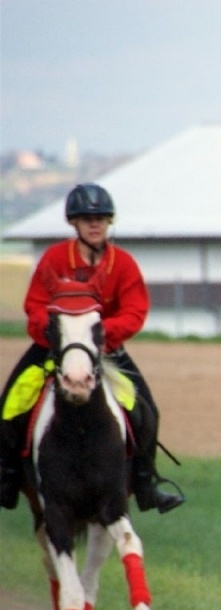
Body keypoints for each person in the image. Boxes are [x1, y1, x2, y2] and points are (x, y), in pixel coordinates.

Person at [0, 183, 182, 512]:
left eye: (100, 218)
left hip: (105, 351)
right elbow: (36, 305)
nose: (94, 224)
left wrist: (98, 335)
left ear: (109, 222)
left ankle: (145, 483)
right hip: (54, 348)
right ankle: (8, 477)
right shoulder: (55, 259)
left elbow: (135, 310)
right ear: (74, 223)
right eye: (86, 218)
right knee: (10, 401)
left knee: (147, 409)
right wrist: (58, 335)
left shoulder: (123, 264)